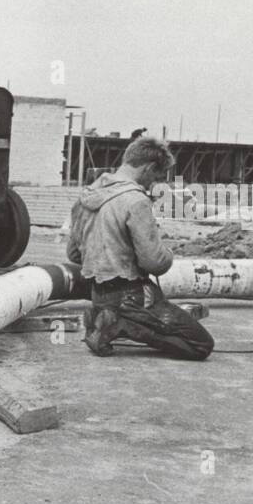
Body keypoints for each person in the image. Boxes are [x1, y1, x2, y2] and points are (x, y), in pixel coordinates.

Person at [67, 136, 214, 360]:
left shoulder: (86, 197)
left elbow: (74, 254)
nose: (152, 183)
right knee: (201, 344)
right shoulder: (136, 200)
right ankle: (122, 325)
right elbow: (154, 263)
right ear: (149, 168)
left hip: (98, 294)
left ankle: (103, 318)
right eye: (156, 176)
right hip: (131, 297)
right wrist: (167, 254)